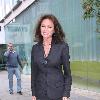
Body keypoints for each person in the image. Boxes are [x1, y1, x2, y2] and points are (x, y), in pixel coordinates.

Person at [31, 14, 72, 100]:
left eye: (49, 27)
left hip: (57, 93)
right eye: (43, 26)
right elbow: (34, 72)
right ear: (40, 28)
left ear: (54, 30)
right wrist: (33, 92)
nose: (45, 29)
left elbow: (67, 73)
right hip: (40, 94)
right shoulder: (35, 48)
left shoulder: (62, 47)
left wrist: (66, 93)